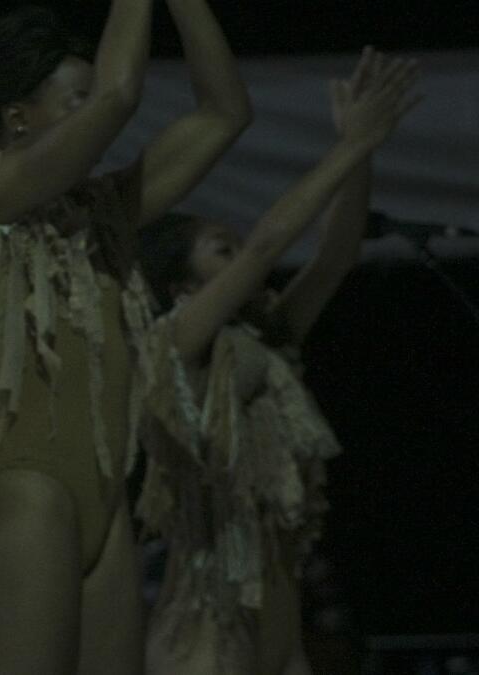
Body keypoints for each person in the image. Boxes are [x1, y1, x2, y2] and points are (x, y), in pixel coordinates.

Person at [0, 1, 252, 673]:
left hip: (105, 509)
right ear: (18, 119)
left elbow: (225, 113)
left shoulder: (102, 215)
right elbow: (121, 95)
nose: (92, 116)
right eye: (74, 102)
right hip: (27, 499)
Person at [135, 48, 419, 674]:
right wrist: (348, 148)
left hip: (279, 621)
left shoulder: (265, 345)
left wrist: (360, 146)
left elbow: (336, 255)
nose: (239, 259)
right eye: (220, 251)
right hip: (206, 624)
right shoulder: (176, 345)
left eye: (233, 248)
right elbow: (266, 246)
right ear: (182, 288)